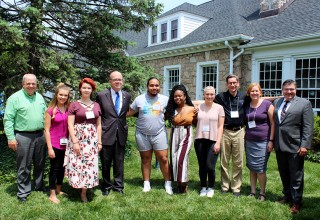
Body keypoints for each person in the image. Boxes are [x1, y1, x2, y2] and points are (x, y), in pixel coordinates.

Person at [3, 73, 47, 203]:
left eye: (33, 83)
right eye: (28, 83)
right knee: (23, 165)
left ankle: (39, 185)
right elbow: (8, 119)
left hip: (40, 135)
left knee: (40, 163)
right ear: (23, 84)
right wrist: (10, 138)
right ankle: (23, 191)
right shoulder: (14, 98)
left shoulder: (39, 97)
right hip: (23, 136)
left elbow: (45, 115)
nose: (31, 85)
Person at [273, 79, 314, 214]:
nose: (289, 92)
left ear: (296, 90)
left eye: (291, 89)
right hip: (280, 145)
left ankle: (296, 201)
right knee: (283, 173)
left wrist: (305, 145)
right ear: (282, 90)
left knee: (296, 175)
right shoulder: (277, 102)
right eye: (286, 89)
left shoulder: (304, 103)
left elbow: (308, 126)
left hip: (295, 146)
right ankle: (287, 195)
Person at [127, 77, 173, 195]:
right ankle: (146, 183)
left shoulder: (165, 99)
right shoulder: (139, 99)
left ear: (159, 87)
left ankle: (168, 183)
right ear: (147, 86)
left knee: (163, 159)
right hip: (142, 134)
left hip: (159, 133)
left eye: (156, 85)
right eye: (152, 85)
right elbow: (129, 112)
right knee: (146, 159)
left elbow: (171, 111)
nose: (154, 88)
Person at [64, 78, 102, 203]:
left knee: (89, 164)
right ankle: (76, 185)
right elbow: (70, 125)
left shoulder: (96, 105)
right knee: (78, 163)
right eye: (84, 87)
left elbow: (99, 125)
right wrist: (74, 142)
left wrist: (99, 141)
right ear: (80, 89)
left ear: (92, 90)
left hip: (91, 139)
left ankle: (84, 192)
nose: (86, 90)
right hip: (78, 137)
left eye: (89, 88)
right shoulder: (74, 105)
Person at [96, 71, 131, 196]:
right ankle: (106, 186)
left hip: (121, 132)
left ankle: (118, 186)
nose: (118, 82)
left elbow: (124, 113)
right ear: (110, 81)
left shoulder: (127, 96)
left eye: (120, 79)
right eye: (115, 79)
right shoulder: (101, 95)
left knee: (119, 161)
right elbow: (98, 114)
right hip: (106, 132)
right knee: (106, 161)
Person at [215, 74, 248, 196]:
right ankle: (224, 186)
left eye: (235, 83)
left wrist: (280, 97)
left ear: (238, 83)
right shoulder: (220, 97)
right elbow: (207, 101)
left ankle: (236, 187)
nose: (233, 85)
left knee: (238, 161)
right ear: (227, 84)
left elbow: (259, 99)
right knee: (224, 160)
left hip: (239, 131)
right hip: (225, 131)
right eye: (230, 83)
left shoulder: (245, 96)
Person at [244, 83, 274, 201]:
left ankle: (262, 192)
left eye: (256, 91)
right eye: (252, 91)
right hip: (249, 140)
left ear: (260, 92)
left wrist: (271, 140)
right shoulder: (247, 105)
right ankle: (252, 191)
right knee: (252, 167)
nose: (254, 93)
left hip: (263, 140)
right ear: (249, 93)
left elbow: (273, 123)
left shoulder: (267, 104)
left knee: (260, 168)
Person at [165, 84, 196, 193]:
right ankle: (178, 183)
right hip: (174, 132)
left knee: (181, 158)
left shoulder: (192, 109)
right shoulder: (171, 109)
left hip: (186, 132)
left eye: (180, 96)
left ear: (185, 96)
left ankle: (184, 183)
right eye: (175, 96)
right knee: (174, 158)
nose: (178, 98)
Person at [194, 86, 225, 197]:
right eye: (207, 94)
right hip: (200, 139)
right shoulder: (198, 107)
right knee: (202, 165)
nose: (210, 96)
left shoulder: (219, 108)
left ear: (214, 95)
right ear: (204, 95)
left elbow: (221, 126)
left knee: (210, 166)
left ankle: (210, 187)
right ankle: (203, 187)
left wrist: (218, 142)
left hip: (213, 140)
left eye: (212, 94)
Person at [44, 83, 70, 204]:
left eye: (65, 95)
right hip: (54, 144)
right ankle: (52, 194)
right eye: (61, 95)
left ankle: (59, 189)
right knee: (54, 169)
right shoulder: (50, 111)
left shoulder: (69, 109)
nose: (63, 97)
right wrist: (49, 148)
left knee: (62, 168)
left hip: (66, 144)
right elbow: (46, 130)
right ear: (56, 95)